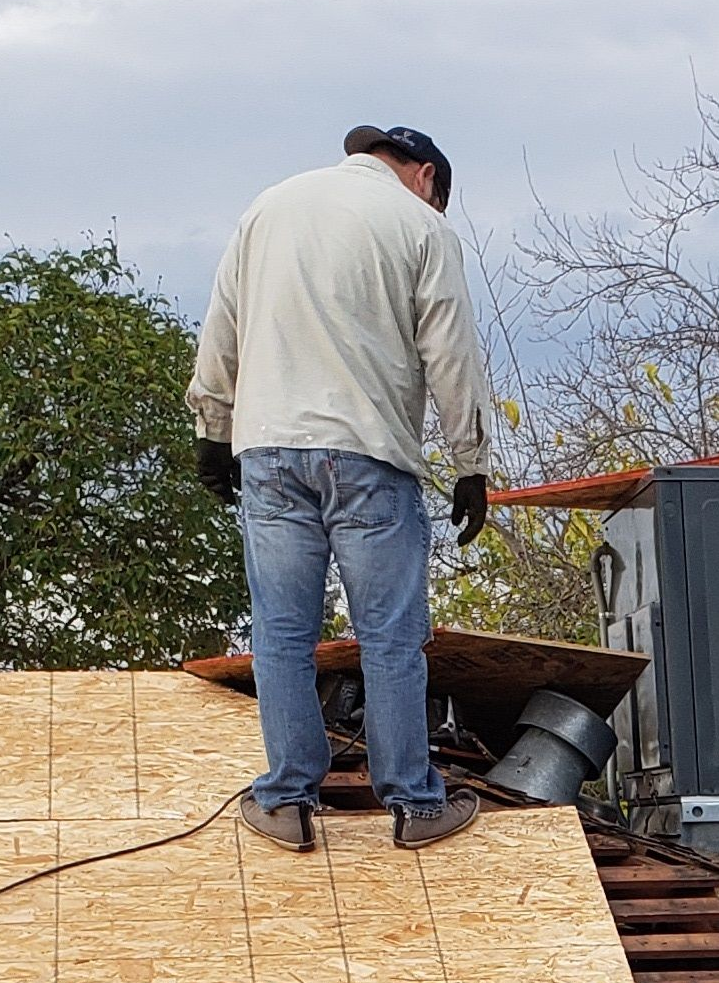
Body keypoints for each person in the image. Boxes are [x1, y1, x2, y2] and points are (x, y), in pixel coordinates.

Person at [188, 122, 494, 849]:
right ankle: (416, 807)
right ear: (425, 178)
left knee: (282, 633)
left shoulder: (270, 207)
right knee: (389, 638)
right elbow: (450, 348)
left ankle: (287, 803)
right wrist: (470, 461)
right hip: (369, 455)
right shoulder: (420, 225)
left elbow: (222, 324)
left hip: (268, 449)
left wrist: (212, 428)